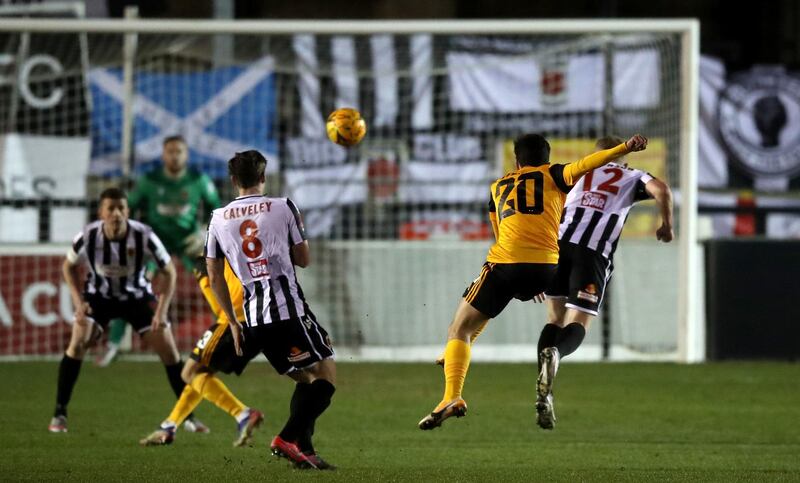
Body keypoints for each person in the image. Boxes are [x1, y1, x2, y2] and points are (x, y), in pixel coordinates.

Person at [418, 133, 648, 431]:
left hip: (507, 261)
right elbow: (589, 163)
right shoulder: (555, 173)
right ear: (547, 157)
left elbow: (499, 231)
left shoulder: (498, 186)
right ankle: (456, 352)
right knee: (490, 306)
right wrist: (624, 149)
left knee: (459, 327)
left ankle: (452, 394)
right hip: (546, 269)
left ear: (516, 160)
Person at [205, 150, 337, 470]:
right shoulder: (283, 206)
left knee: (305, 380)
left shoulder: (218, 218)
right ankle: (287, 438)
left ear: (233, 180)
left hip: (253, 318)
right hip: (287, 309)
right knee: (326, 377)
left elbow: (213, 274)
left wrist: (234, 324)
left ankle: (304, 453)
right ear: (264, 177)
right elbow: (304, 259)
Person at [536, 136, 673, 430]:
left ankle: (546, 393)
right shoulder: (631, 174)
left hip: (555, 247)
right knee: (579, 323)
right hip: (593, 253)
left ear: (595, 156)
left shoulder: (576, 170)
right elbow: (661, 189)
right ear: (621, 158)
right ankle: (557, 354)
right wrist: (667, 224)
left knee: (554, 318)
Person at [98, 135, 219, 434]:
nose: (175, 156)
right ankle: (114, 344)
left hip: (188, 240)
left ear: (186, 154)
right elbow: (130, 207)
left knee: (213, 279)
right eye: (170, 151)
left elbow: (217, 210)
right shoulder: (149, 180)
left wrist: (204, 232)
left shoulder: (199, 180)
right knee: (134, 288)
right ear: (164, 154)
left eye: (179, 151)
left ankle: (228, 329)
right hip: (156, 242)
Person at [48, 188, 188, 433]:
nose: (116, 213)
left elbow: (170, 271)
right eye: (110, 208)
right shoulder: (88, 236)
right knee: (78, 341)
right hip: (99, 297)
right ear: (101, 212)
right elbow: (67, 266)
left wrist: (162, 311)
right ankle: (60, 412)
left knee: (169, 349)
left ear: (128, 211)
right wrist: (78, 302)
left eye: (121, 208)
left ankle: (188, 416)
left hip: (136, 298)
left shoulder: (144, 236)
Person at [139, 258, 264, 447]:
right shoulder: (235, 244)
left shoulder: (203, 260)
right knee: (200, 375)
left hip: (234, 322)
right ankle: (169, 426)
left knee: (188, 372)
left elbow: (218, 305)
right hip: (263, 321)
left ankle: (243, 414)